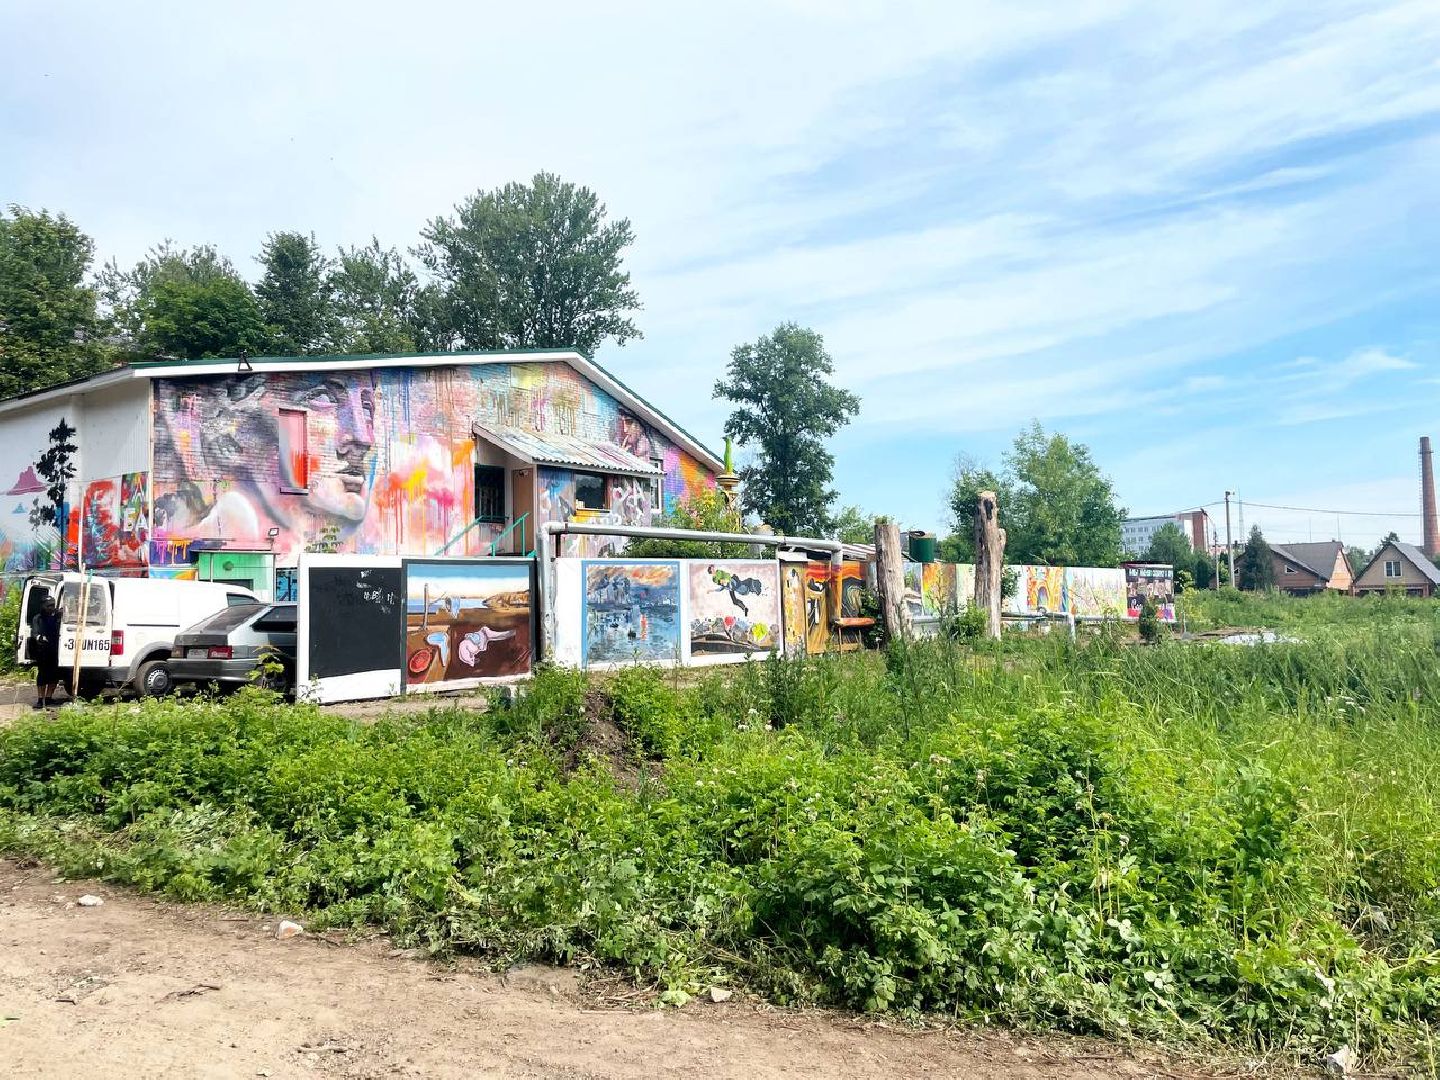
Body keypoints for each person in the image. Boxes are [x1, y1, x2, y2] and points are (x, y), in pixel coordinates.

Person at [29, 595, 61, 709]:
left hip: (55, 651)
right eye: (49, 606)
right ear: (43, 606)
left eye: (53, 605)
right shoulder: (37, 618)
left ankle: (48, 698)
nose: (51, 608)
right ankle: (40, 699)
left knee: (55, 675)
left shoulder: (56, 617)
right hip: (42, 652)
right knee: (42, 675)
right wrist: (40, 638)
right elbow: (34, 633)